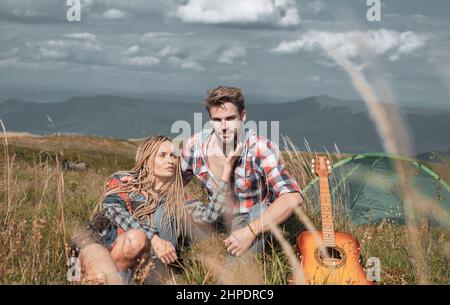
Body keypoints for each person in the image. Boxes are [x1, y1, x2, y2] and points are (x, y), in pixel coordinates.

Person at [72, 135, 239, 284]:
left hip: (141, 263)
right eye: (163, 155)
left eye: (174, 156)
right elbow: (113, 210)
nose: (171, 160)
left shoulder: (179, 199)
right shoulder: (124, 181)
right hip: (101, 242)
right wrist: (154, 239)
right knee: (101, 272)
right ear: (147, 160)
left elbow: (209, 217)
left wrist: (226, 172)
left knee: (127, 257)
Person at [181, 86, 304, 258]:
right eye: (217, 120)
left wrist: (250, 231)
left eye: (230, 118)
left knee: (260, 212)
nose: (223, 127)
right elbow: (172, 183)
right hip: (212, 215)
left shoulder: (260, 148)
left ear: (243, 117)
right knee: (164, 216)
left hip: (250, 218)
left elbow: (293, 197)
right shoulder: (195, 146)